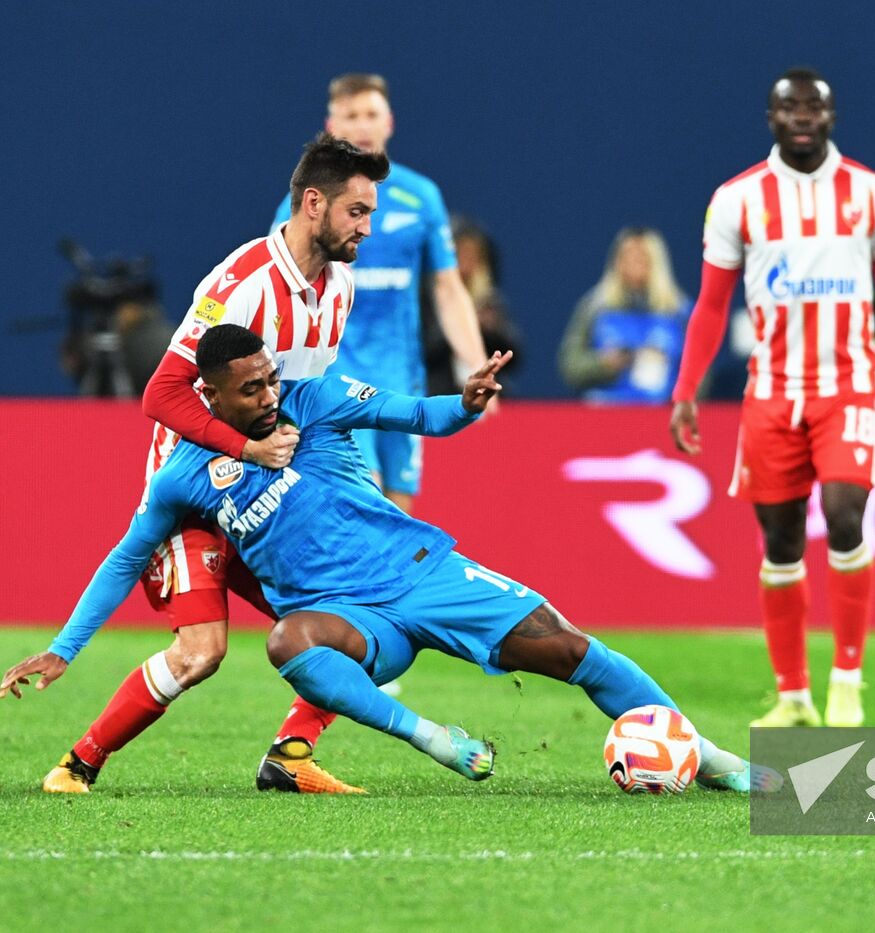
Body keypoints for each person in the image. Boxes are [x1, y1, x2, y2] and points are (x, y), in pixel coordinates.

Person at [2, 325, 779, 795]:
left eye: (272, 377)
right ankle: (429, 736)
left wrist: (466, 403)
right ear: (209, 395)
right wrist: (66, 648)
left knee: (574, 650)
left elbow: (416, 414)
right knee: (286, 643)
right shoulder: (185, 478)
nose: (270, 394)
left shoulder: (315, 398)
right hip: (348, 621)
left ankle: (712, 759)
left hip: (422, 573)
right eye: (250, 388)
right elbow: (123, 556)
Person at [27, 133, 390, 797]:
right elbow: (161, 393)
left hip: (267, 489)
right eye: (357, 212)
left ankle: (292, 753)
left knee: (358, 616)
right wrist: (246, 449)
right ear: (314, 203)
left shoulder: (340, 287)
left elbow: (305, 403)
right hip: (199, 487)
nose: (368, 227)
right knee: (203, 651)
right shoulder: (243, 283)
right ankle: (77, 763)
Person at [668, 68, 875, 728]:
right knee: (781, 539)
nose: (801, 116)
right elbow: (711, 305)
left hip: (848, 382)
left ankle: (847, 681)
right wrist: (687, 389)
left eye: (812, 107)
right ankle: (793, 694)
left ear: (831, 117)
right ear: (770, 118)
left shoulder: (872, 193)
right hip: (770, 391)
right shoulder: (736, 199)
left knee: (846, 510)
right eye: (788, 107)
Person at [271, 73, 487, 516]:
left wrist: (474, 363)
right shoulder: (307, 202)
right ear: (332, 127)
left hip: (401, 380)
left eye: (371, 114)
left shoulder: (420, 196)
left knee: (400, 512)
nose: (362, 126)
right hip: (333, 381)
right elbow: (277, 288)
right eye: (351, 116)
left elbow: (448, 289)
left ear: (389, 122)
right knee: (361, 505)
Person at [559, 227, 693, 403]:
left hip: (663, 414)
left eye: (641, 257)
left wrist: (679, 399)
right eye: (627, 257)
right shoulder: (595, 306)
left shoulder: (680, 310)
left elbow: (700, 371)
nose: (633, 263)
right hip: (605, 411)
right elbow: (570, 364)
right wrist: (603, 364)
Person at [422, 215, 522, 396]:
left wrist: (489, 330)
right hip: (439, 395)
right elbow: (423, 350)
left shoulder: (490, 299)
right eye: (462, 254)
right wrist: (459, 326)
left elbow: (514, 356)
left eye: (474, 255)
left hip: (485, 397)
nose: (468, 262)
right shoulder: (429, 297)